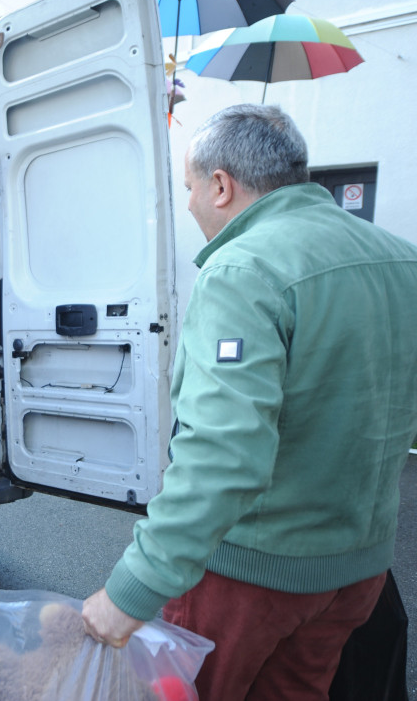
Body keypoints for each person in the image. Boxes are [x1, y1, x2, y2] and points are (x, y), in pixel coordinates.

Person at [82, 104, 417, 700]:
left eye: (189, 188)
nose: (189, 205)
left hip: (253, 572)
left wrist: (132, 590)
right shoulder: (401, 259)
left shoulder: (243, 268)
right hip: (358, 570)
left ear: (221, 185)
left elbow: (223, 454)